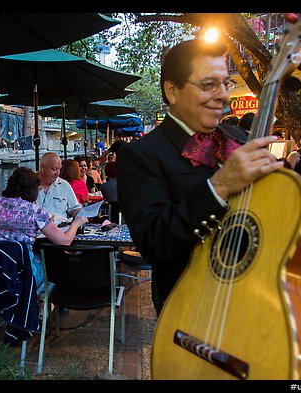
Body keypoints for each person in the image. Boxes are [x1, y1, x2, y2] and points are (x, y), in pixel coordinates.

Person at [117, 39, 283, 315]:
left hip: (258, 302)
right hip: (192, 315)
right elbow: (154, 242)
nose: (223, 97)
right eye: (208, 85)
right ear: (172, 91)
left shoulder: (241, 140)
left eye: (225, 84)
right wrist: (218, 186)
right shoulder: (142, 154)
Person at [0, 167, 89, 289]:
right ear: (32, 189)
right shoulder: (34, 210)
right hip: (22, 273)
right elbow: (65, 241)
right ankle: (48, 302)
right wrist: (76, 223)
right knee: (52, 262)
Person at [36, 152, 81, 225]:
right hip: (34, 231)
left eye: (59, 169)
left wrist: (85, 214)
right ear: (42, 168)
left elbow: (75, 208)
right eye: (54, 169)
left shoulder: (64, 185)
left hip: (60, 230)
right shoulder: (29, 184)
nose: (58, 173)